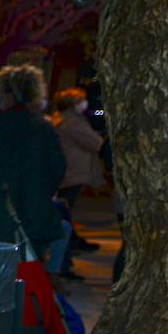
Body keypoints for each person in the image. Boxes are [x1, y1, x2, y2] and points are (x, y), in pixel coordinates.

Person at [0, 65, 66, 257]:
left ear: (10, 94)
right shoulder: (43, 127)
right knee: (29, 265)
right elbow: (58, 167)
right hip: (35, 210)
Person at [52, 86, 106, 263]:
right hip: (74, 173)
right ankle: (68, 247)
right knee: (66, 211)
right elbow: (95, 143)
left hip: (67, 172)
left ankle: (72, 242)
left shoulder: (61, 120)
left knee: (66, 210)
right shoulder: (74, 123)